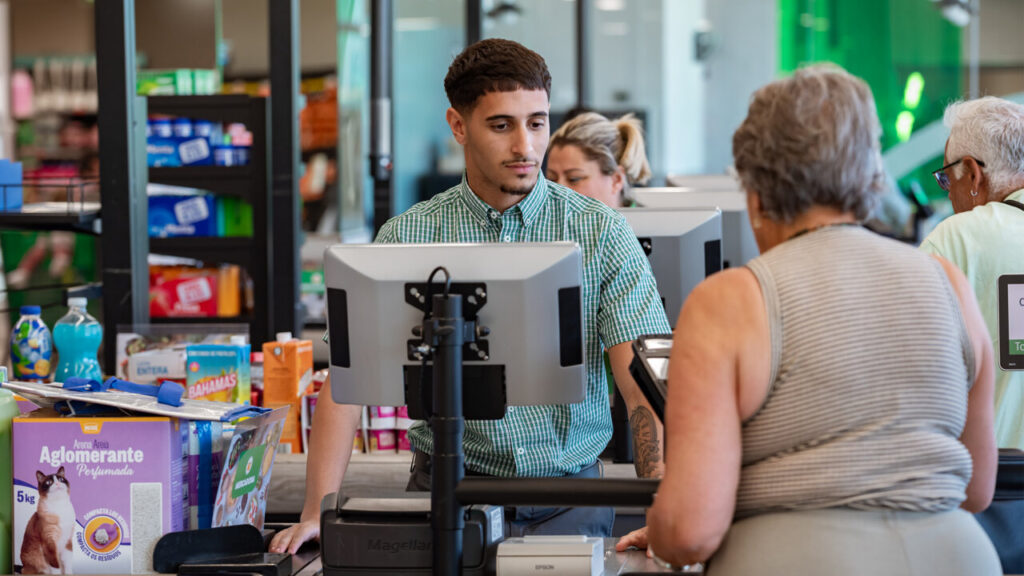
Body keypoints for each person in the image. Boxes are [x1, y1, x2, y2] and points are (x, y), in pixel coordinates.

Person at [270, 38, 670, 554]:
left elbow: (641, 386)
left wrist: (664, 502)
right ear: (459, 126)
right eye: (502, 125)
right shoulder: (408, 236)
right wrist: (315, 511)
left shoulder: (601, 233)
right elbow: (346, 384)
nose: (526, 146)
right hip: (446, 500)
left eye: (537, 122)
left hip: (570, 500)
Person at [618, 65, 1000, 575]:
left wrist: (669, 522)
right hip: (958, 559)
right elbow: (977, 489)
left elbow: (690, 531)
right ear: (871, 172)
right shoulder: (948, 283)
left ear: (755, 190)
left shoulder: (729, 300)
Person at [919, 96, 1024, 573]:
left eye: (947, 178)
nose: (948, 194)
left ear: (972, 173)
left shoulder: (954, 239)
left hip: (987, 498)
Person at [546, 112, 651, 208]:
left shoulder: (651, 225)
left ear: (616, 179)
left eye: (574, 179)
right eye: (552, 179)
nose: (558, 191)